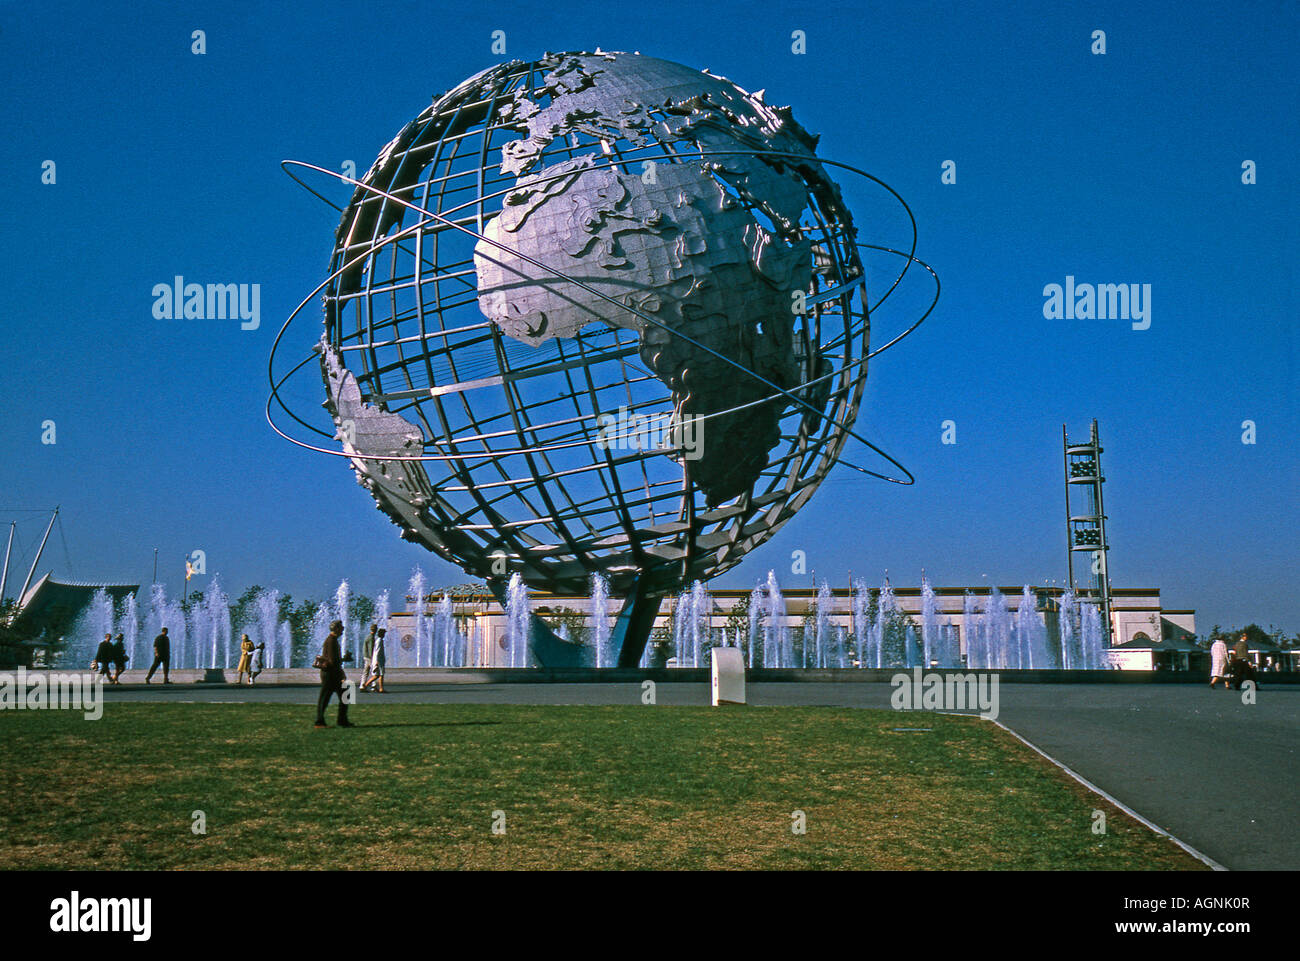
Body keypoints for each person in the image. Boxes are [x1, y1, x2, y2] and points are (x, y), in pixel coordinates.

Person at [314, 620, 353, 728]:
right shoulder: (331, 641)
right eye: (341, 628)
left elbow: (333, 659)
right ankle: (320, 722)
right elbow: (332, 661)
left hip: (333, 673)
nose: (343, 630)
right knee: (325, 698)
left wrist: (342, 661)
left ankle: (342, 721)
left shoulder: (333, 640)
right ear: (336, 629)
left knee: (345, 695)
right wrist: (344, 660)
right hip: (330, 675)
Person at [362, 627, 387, 694]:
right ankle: (379, 688)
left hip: (378, 660)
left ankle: (366, 685)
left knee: (378, 675)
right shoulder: (379, 641)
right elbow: (377, 652)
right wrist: (377, 662)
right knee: (380, 675)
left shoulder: (378, 640)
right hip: (379, 661)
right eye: (384, 633)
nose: (385, 634)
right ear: (382, 634)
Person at [360, 623, 378, 689]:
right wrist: (373, 658)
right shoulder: (371, 638)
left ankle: (362, 685)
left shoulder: (368, 637)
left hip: (366, 656)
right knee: (374, 672)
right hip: (370, 657)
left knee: (365, 672)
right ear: (375, 630)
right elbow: (371, 649)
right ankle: (373, 686)